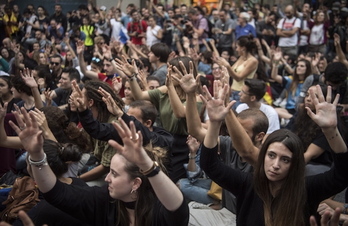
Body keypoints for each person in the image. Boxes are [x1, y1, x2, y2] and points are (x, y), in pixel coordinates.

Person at [8, 107, 189, 226]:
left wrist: (147, 165)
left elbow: (178, 208)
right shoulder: (106, 200)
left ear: (136, 183)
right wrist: (37, 155)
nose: (107, 178)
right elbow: (55, 192)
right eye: (109, 171)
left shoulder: (158, 210)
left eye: (115, 174)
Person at [200, 82, 348, 225]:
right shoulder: (248, 185)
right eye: (271, 155)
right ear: (263, 156)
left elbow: (342, 174)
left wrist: (330, 130)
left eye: (285, 160)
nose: (275, 165)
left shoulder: (306, 189)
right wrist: (214, 123)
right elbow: (210, 165)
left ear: (294, 164)